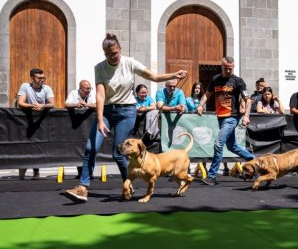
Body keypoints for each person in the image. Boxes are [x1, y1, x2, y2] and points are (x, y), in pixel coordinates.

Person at [66, 33, 187, 201]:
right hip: (107, 111)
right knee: (90, 148)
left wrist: (174, 75)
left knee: (119, 153)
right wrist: (100, 120)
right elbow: (100, 96)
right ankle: (82, 187)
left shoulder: (129, 63)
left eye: (114, 53)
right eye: (108, 54)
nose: (112, 57)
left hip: (127, 112)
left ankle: (127, 184)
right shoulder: (99, 68)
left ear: (120, 50)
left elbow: (153, 76)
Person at [196, 56, 255, 185]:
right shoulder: (215, 79)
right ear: (221, 67)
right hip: (220, 118)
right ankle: (254, 160)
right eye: (226, 68)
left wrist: (246, 116)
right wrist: (201, 105)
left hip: (232, 118)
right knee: (232, 146)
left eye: (231, 68)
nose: (229, 71)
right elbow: (207, 94)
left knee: (218, 143)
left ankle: (211, 176)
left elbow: (248, 100)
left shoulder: (238, 81)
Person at [17, 68, 55, 180]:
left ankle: (36, 171)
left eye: (43, 78)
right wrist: (34, 106)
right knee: (24, 146)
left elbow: (52, 104)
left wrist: (42, 106)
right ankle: (22, 170)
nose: (42, 80)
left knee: (38, 145)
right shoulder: (25, 86)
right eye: (39, 78)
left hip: (41, 122)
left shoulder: (47, 88)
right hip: (25, 121)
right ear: (32, 78)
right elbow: (20, 103)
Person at [65, 79, 96, 179]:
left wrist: (86, 105)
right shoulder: (73, 93)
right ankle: (80, 172)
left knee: (89, 148)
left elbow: (97, 104)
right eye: (86, 88)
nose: (88, 90)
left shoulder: (92, 94)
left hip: (89, 125)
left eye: (89, 88)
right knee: (77, 148)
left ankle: (89, 172)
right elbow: (67, 104)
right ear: (80, 88)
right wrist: (76, 104)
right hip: (76, 126)